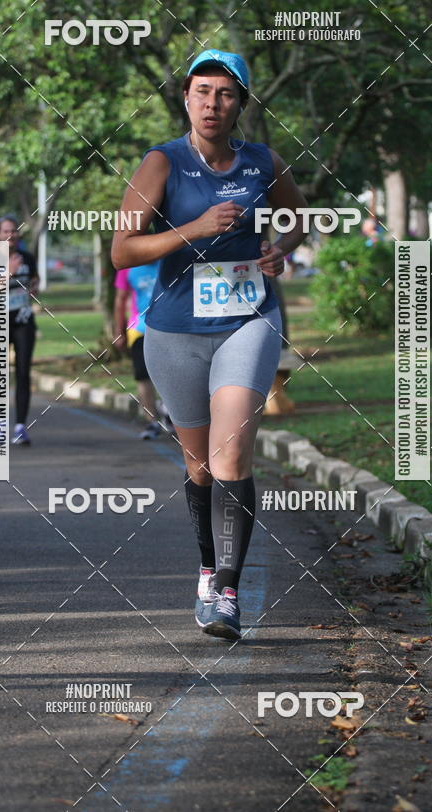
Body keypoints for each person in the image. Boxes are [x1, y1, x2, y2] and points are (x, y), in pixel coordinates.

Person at [112, 49, 307, 639]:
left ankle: (227, 590)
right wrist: (191, 230)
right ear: (187, 99)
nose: (211, 103)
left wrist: (282, 248)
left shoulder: (262, 161)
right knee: (199, 466)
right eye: (201, 92)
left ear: (241, 102)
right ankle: (206, 568)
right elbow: (122, 251)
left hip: (249, 319)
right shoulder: (162, 164)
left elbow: (297, 216)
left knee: (231, 456)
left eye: (224, 93)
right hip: (174, 331)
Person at [113, 262, 171, 439]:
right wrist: (119, 331)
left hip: (170, 326)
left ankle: (169, 411)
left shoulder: (167, 259)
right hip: (139, 328)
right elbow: (120, 299)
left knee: (171, 372)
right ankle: (151, 421)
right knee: (142, 374)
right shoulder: (128, 265)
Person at [0, 215, 38, 446]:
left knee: (23, 373)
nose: (10, 235)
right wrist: (8, 273)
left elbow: (34, 280)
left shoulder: (28, 258)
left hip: (23, 321)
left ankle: (20, 427)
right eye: (5, 231)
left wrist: (33, 289)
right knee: (0, 376)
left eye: (14, 231)